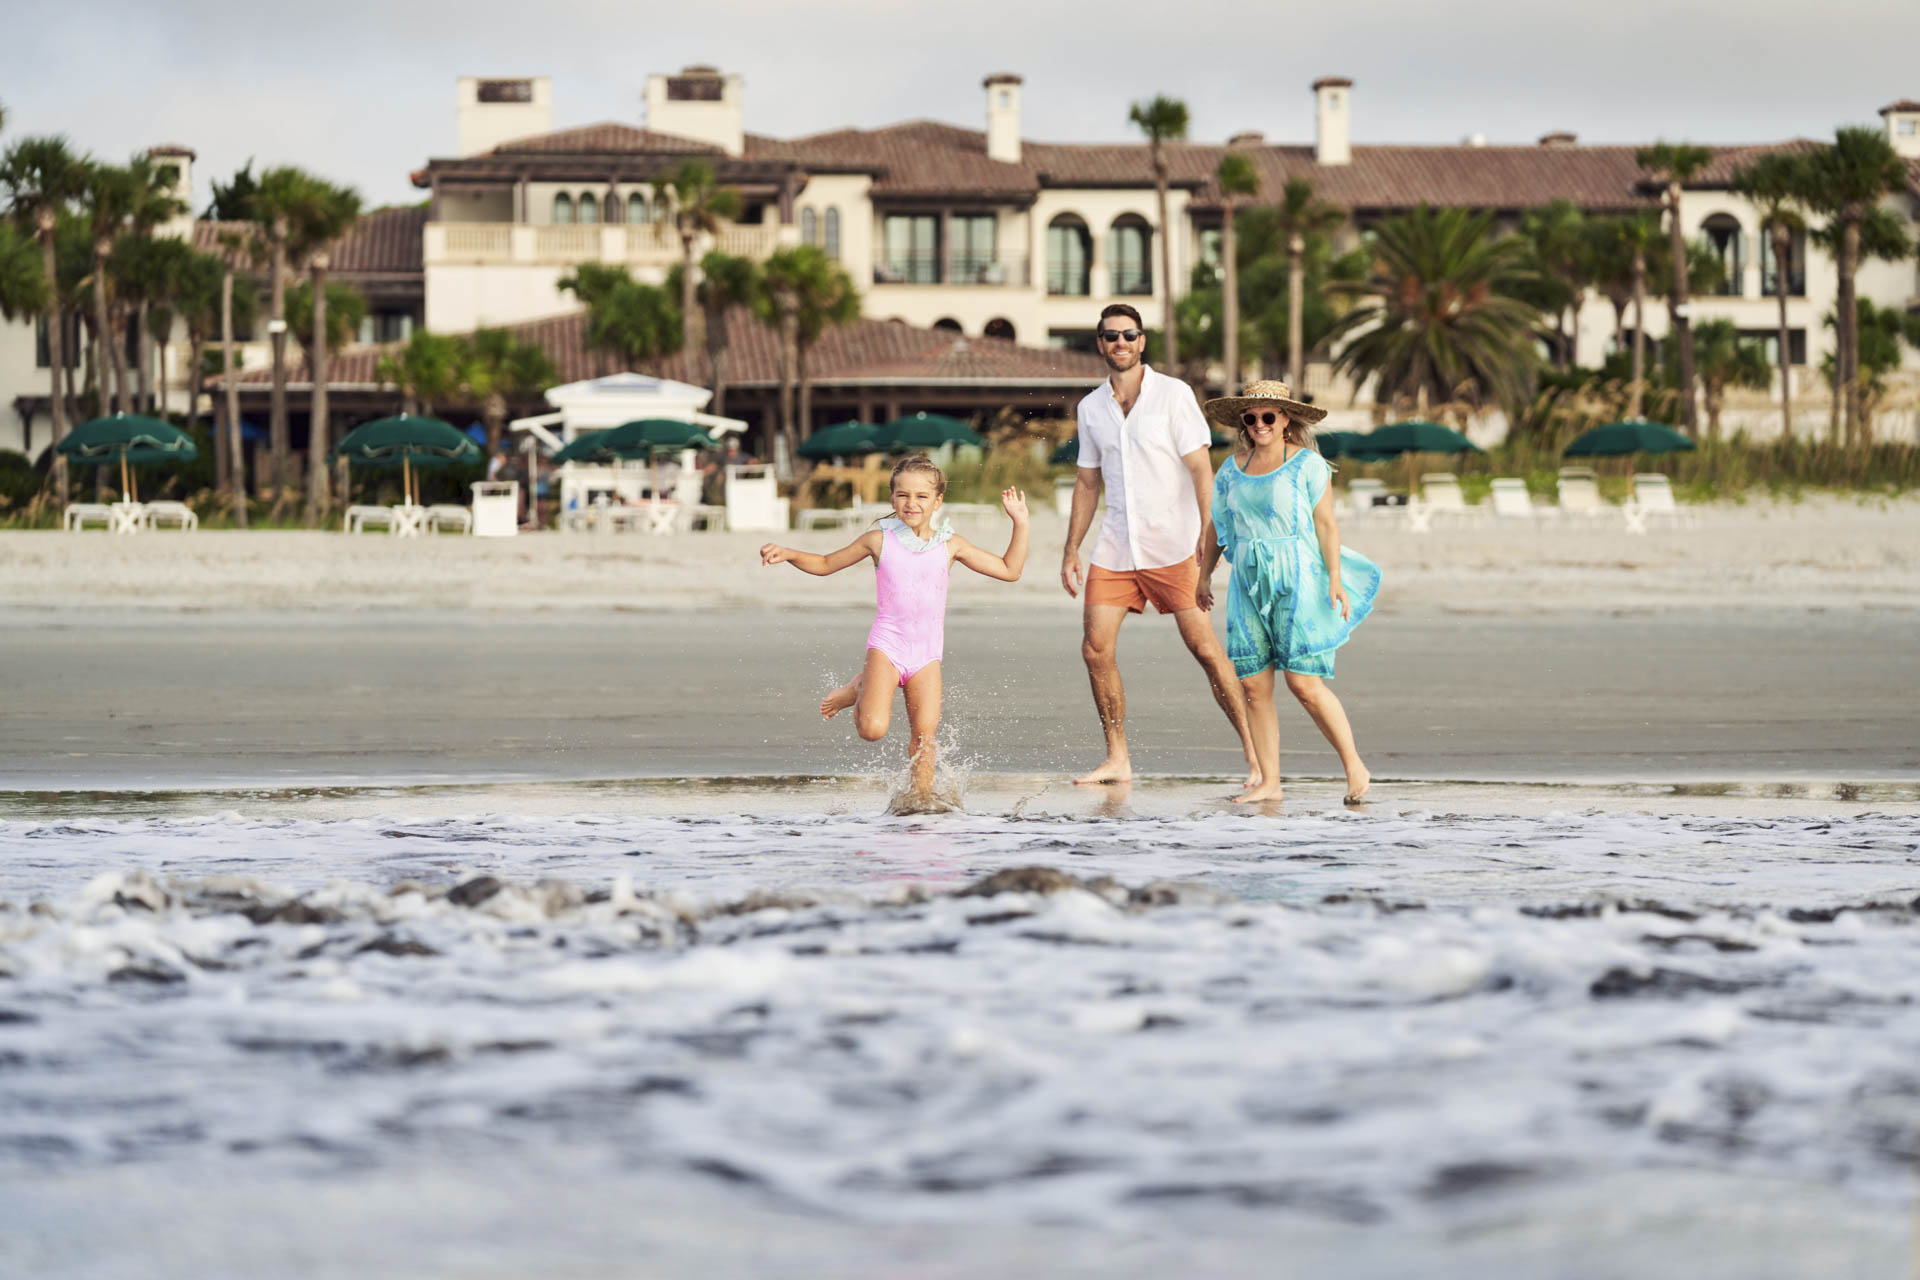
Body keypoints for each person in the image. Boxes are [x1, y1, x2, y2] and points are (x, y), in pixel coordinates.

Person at [1061, 303, 1256, 787]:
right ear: (1100, 344)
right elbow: (1087, 484)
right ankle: (1117, 757)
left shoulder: (1174, 395)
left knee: (1206, 649)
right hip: (1115, 548)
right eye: (1110, 336)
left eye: (1129, 335)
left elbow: (1198, 469)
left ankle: (1257, 758)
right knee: (1094, 650)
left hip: (1176, 545)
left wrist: (1208, 534)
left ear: (1142, 341)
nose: (1120, 343)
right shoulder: (1090, 408)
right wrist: (1071, 549)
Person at [761, 455, 1029, 799]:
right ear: (892, 498)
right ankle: (858, 690)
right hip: (888, 646)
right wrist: (790, 553)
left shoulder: (951, 544)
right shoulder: (879, 540)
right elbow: (827, 563)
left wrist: (1020, 522)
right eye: (903, 495)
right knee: (872, 730)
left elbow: (1010, 570)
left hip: (927, 655)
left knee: (924, 738)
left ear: (937, 501)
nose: (911, 503)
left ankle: (921, 802)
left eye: (921, 496)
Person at [1198, 381, 1382, 805]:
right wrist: (1204, 576)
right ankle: (1270, 782)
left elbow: (1326, 525)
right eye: (1251, 417)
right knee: (1254, 687)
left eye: (1269, 416)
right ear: (1243, 423)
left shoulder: (1307, 465)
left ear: (1285, 420)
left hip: (1296, 576)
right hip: (1246, 580)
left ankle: (1355, 765)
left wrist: (1334, 577)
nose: (1259, 424)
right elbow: (1215, 527)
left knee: (1303, 681)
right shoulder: (1231, 468)